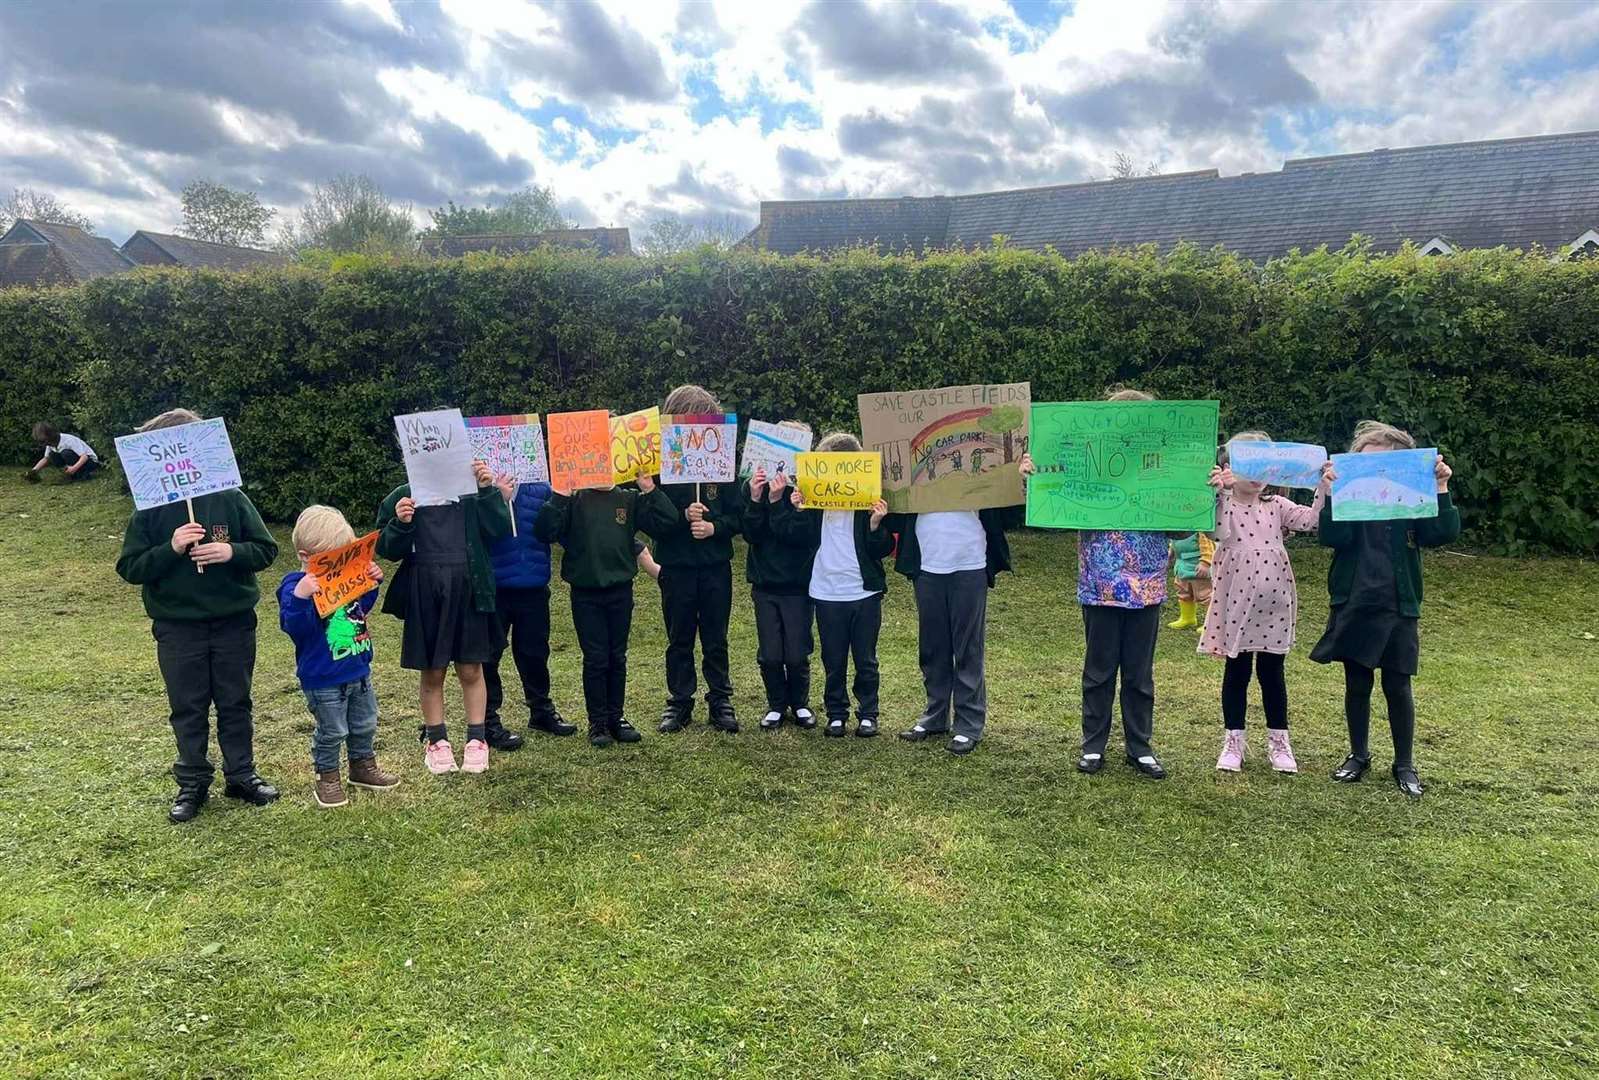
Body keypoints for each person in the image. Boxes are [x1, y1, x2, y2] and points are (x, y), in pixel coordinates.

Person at [114, 408, 280, 823]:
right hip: (178, 627)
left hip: (233, 621)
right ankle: (192, 783)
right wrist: (169, 548)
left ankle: (241, 775)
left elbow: (265, 549)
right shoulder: (149, 510)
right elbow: (130, 568)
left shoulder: (230, 497)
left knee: (235, 702)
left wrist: (231, 552)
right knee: (187, 706)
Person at [1310, 421, 1459, 799]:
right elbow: (1332, 537)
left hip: (1399, 603)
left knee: (1397, 684)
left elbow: (1440, 534)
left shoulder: (1411, 499)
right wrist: (1329, 494)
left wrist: (1440, 487)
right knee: (1357, 683)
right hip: (1355, 600)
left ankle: (1404, 764)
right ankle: (1358, 755)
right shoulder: (1349, 498)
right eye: (1364, 463)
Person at [1199, 432, 1326, 774]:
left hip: (1274, 604)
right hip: (1235, 602)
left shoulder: (1277, 507)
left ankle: (1279, 742)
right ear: (1228, 467)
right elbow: (1220, 534)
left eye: (1262, 466)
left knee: (1272, 673)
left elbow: (1311, 521)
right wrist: (1221, 493)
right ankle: (1233, 741)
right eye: (1246, 465)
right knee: (1236, 671)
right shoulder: (1221, 504)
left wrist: (1324, 489)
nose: (1255, 476)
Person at [892, 454, 1035, 756]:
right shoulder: (915, 462)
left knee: (967, 646)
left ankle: (968, 723)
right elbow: (895, 509)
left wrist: (1017, 479)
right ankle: (935, 716)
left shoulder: (979, 458)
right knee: (932, 646)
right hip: (927, 566)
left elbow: (1009, 515)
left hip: (970, 563)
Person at [376, 459, 511, 776]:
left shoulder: (471, 493)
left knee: (471, 667)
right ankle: (436, 741)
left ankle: (477, 740)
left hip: (469, 588)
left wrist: (487, 490)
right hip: (425, 590)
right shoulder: (404, 496)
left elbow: (499, 529)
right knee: (432, 671)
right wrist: (401, 522)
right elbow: (386, 547)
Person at [1074, 388, 1178, 780]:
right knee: (1098, 671)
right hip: (1099, 586)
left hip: (1147, 587)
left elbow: (1182, 529)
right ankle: (1093, 746)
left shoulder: (1164, 470)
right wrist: (1036, 478)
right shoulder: (1088, 468)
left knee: (1139, 673)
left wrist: (1202, 492)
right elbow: (1055, 510)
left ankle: (1140, 746)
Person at [535, 469, 678, 747]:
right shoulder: (575, 500)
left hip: (620, 591)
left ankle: (616, 717)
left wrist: (650, 489)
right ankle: (597, 721)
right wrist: (559, 496)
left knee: (617, 657)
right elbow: (544, 531)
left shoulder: (628, 498)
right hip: (585, 592)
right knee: (596, 659)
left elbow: (668, 523)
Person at [771, 432, 893, 739]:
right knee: (833, 659)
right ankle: (836, 713)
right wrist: (798, 510)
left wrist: (876, 524)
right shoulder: (814, 502)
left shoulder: (867, 501)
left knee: (866, 659)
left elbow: (880, 549)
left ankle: (868, 714)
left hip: (864, 592)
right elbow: (795, 537)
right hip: (826, 591)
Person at [277, 505, 399, 807]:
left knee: (365, 723)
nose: (337, 566)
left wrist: (372, 582)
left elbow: (359, 609)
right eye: (329, 559)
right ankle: (327, 777)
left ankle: (363, 767)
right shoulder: (295, 587)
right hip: (323, 677)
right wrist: (302, 597)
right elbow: (296, 628)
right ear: (306, 557)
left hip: (358, 667)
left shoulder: (343, 575)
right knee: (332, 731)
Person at [648, 384, 742, 735]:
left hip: (716, 565)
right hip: (676, 565)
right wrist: (681, 515)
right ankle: (679, 701)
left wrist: (715, 527)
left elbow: (739, 516)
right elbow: (652, 519)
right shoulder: (660, 463)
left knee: (716, 637)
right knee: (679, 636)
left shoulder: (722, 461)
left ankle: (720, 699)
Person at [480, 477, 574, 751]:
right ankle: (488, 720)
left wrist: (561, 499)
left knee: (534, 652)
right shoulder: (481, 487)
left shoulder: (541, 487)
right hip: (494, 588)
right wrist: (494, 498)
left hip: (533, 584)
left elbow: (553, 532)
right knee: (489, 655)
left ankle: (541, 711)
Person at [741, 421, 819, 731]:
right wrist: (758, 500)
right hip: (765, 583)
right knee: (771, 652)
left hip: (798, 584)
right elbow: (751, 534)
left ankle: (799, 704)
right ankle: (776, 704)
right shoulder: (754, 484)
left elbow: (800, 537)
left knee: (797, 652)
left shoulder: (807, 488)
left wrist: (780, 504)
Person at [1166, 531, 1215, 630]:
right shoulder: (1178, 528)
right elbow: (1175, 543)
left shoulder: (1200, 530)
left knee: (1204, 595)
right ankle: (1188, 618)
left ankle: (1212, 623)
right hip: (1182, 567)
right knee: (1183, 592)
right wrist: (1171, 553)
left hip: (1197, 568)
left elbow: (1208, 547)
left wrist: (1205, 562)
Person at [25, 421, 99, 483]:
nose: (43, 444)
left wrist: (74, 468)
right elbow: (46, 458)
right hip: (76, 461)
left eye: (43, 441)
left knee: (66, 453)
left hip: (90, 461)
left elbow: (84, 457)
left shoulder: (68, 440)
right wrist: (33, 471)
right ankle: (70, 474)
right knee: (52, 455)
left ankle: (81, 474)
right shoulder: (50, 444)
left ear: (50, 436)